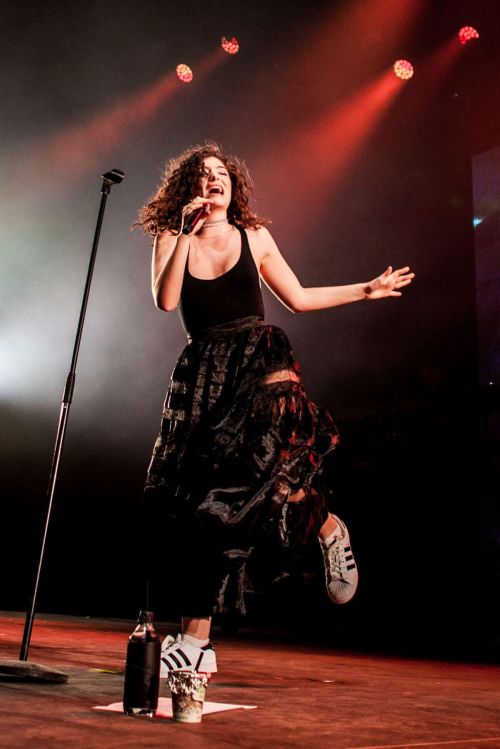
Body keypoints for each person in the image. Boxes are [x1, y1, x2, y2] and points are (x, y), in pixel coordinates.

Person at [136, 142, 414, 676]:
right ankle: (325, 526)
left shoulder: (254, 236)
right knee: (200, 506)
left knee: (261, 478)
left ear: (233, 186)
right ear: (188, 190)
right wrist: (183, 232)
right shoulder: (172, 237)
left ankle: (197, 640)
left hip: (261, 364)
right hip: (205, 378)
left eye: (222, 174)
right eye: (203, 175)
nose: (214, 180)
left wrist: (367, 289)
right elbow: (167, 301)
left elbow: (300, 297)